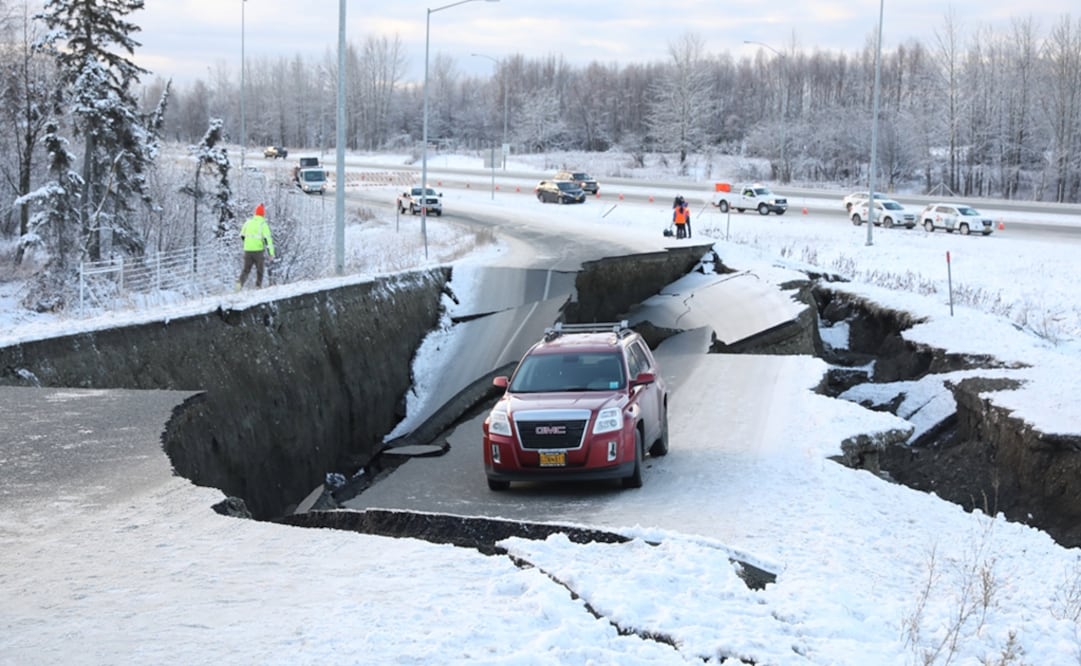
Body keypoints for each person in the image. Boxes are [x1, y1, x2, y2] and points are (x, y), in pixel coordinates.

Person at [236, 203, 275, 289]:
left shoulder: (248, 222)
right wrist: (271, 253)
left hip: (247, 250)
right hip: (258, 250)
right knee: (260, 270)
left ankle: (238, 286)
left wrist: (247, 243)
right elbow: (268, 240)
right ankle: (258, 286)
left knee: (246, 270)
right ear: (263, 214)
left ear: (255, 213)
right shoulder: (263, 224)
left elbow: (242, 235)